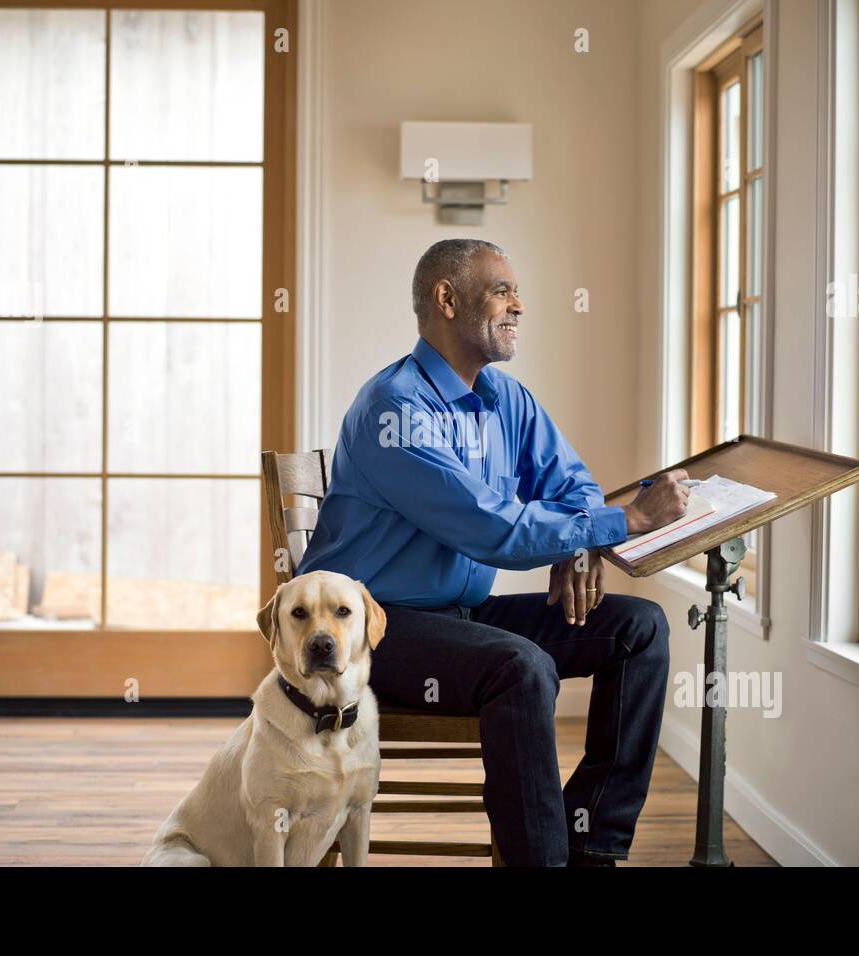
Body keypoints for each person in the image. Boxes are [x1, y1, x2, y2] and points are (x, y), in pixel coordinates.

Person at [296, 238, 692, 866]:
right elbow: (491, 529)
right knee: (521, 666)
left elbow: (572, 486)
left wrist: (583, 545)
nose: (520, 305)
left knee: (639, 628)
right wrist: (624, 521)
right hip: (375, 630)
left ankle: (593, 848)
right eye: (502, 290)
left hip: (462, 621)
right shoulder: (394, 408)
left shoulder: (507, 400)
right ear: (447, 300)